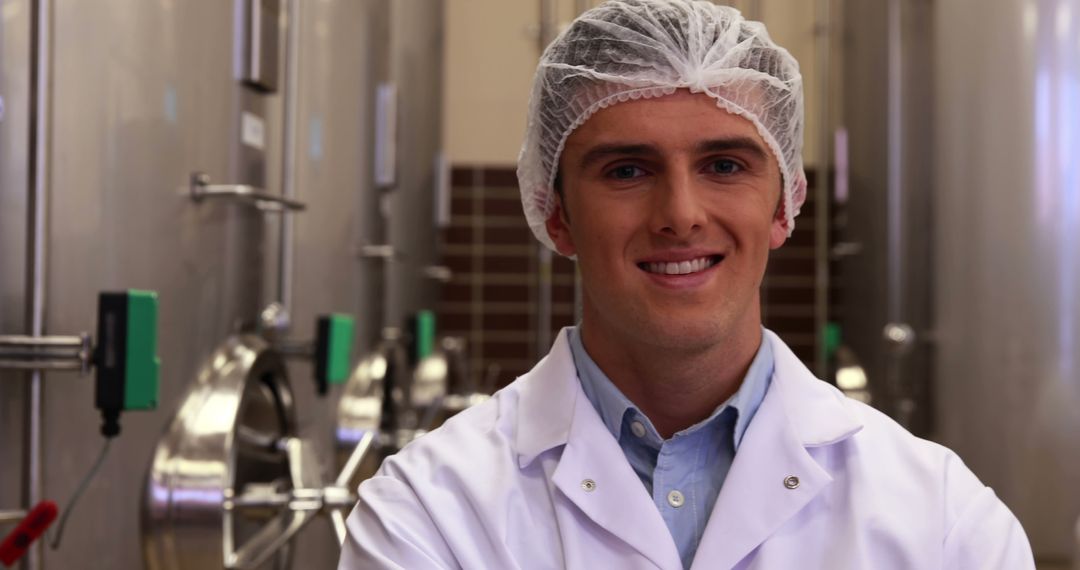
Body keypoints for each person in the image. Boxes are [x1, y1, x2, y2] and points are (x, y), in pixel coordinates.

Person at [338, 1, 1034, 568]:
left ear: (784, 204)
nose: (680, 215)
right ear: (556, 215)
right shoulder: (428, 513)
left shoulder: (943, 520)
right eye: (626, 170)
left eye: (725, 165)